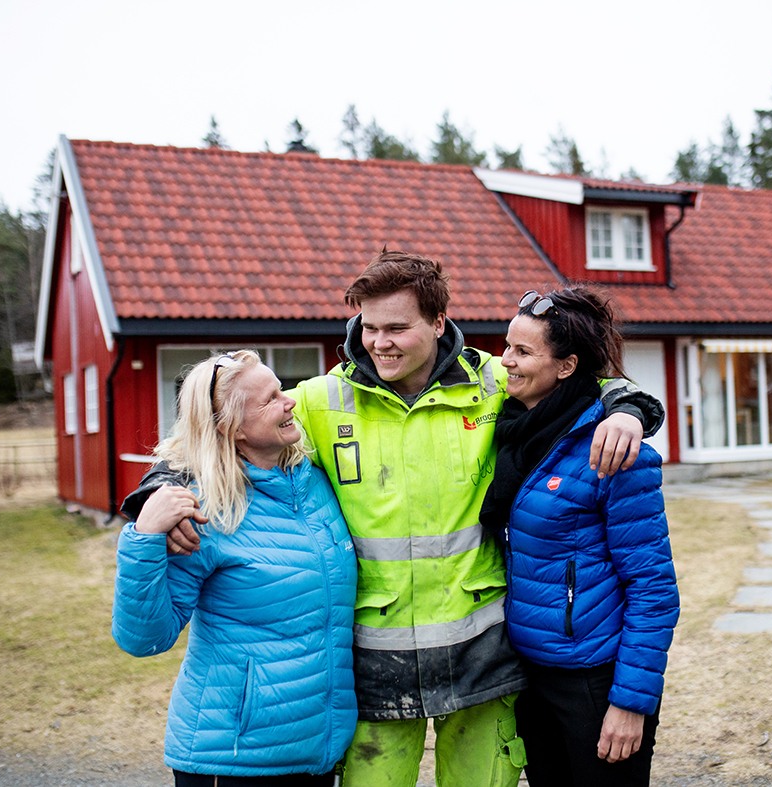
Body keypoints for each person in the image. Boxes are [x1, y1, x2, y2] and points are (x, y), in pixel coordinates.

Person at [122, 250, 664, 787]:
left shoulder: (494, 381)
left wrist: (630, 408)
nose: (378, 342)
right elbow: (212, 431)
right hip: (373, 662)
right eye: (369, 326)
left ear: (438, 322)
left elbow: (575, 386)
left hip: (484, 653)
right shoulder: (317, 401)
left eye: (398, 328)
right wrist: (158, 491)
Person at [111, 350, 357, 785]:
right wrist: (144, 535)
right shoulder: (205, 511)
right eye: (270, 400)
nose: (290, 402)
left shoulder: (314, 481)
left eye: (282, 389)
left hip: (315, 746)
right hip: (231, 753)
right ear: (229, 427)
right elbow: (145, 638)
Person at [479, 287, 680, 787]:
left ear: (566, 367)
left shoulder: (615, 452)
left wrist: (630, 703)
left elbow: (653, 591)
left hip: (594, 677)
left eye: (522, 352)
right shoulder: (513, 427)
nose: (505, 361)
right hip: (531, 672)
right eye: (507, 346)